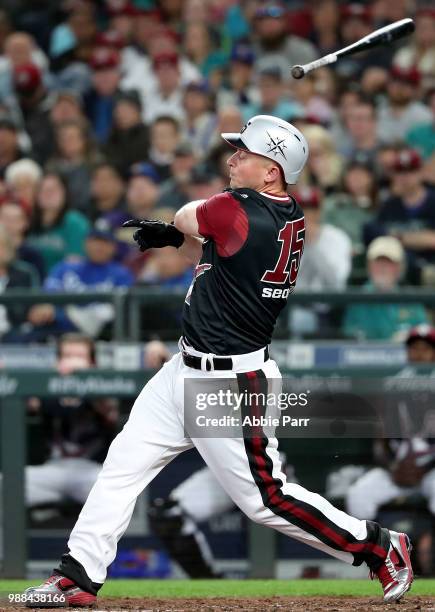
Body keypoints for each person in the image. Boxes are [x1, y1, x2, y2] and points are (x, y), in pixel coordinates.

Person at [25, 115, 413, 608]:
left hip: (230, 381)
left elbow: (191, 215)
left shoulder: (241, 209)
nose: (232, 158)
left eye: (244, 154)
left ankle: (379, 546)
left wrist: (178, 227)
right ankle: (77, 575)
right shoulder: (281, 213)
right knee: (122, 463)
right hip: (184, 368)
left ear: (272, 170)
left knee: (266, 499)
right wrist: (179, 241)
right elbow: (217, 256)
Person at [346, 324, 435, 574]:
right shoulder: (393, 385)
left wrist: (424, 468)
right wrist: (393, 467)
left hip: (431, 470)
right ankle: (377, 563)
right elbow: (380, 439)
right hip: (398, 469)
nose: (420, 354)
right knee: (358, 495)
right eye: (415, 349)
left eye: (426, 349)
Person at [0, 334, 119, 511]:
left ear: (92, 363)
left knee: (117, 490)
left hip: (92, 471)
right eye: (67, 356)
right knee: (4, 485)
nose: (73, 362)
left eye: (79, 357)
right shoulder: (45, 387)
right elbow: (26, 398)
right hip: (53, 471)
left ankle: (108, 540)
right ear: (58, 361)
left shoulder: (104, 387)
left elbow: (110, 410)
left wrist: (84, 378)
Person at [343, 236, 428, 341]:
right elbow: (349, 337)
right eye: (378, 261)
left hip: (404, 356)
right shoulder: (357, 300)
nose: (383, 267)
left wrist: (409, 337)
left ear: (400, 267)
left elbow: (425, 335)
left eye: (389, 262)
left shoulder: (411, 300)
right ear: (369, 265)